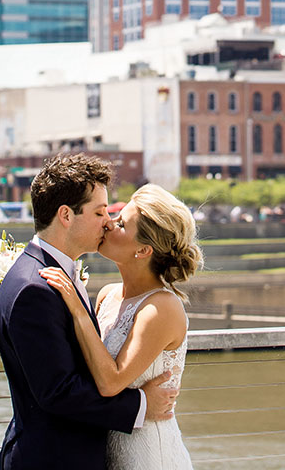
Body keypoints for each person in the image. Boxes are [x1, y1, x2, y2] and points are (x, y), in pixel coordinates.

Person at [0, 154, 178, 470]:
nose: (107, 221)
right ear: (66, 215)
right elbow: (58, 392)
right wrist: (140, 405)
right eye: (99, 212)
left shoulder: (55, 273)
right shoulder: (35, 288)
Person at [40, 182, 203, 470]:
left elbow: (110, 381)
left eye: (121, 224)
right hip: (106, 450)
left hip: (150, 455)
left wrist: (77, 308)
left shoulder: (161, 307)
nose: (108, 225)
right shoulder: (108, 295)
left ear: (143, 250)